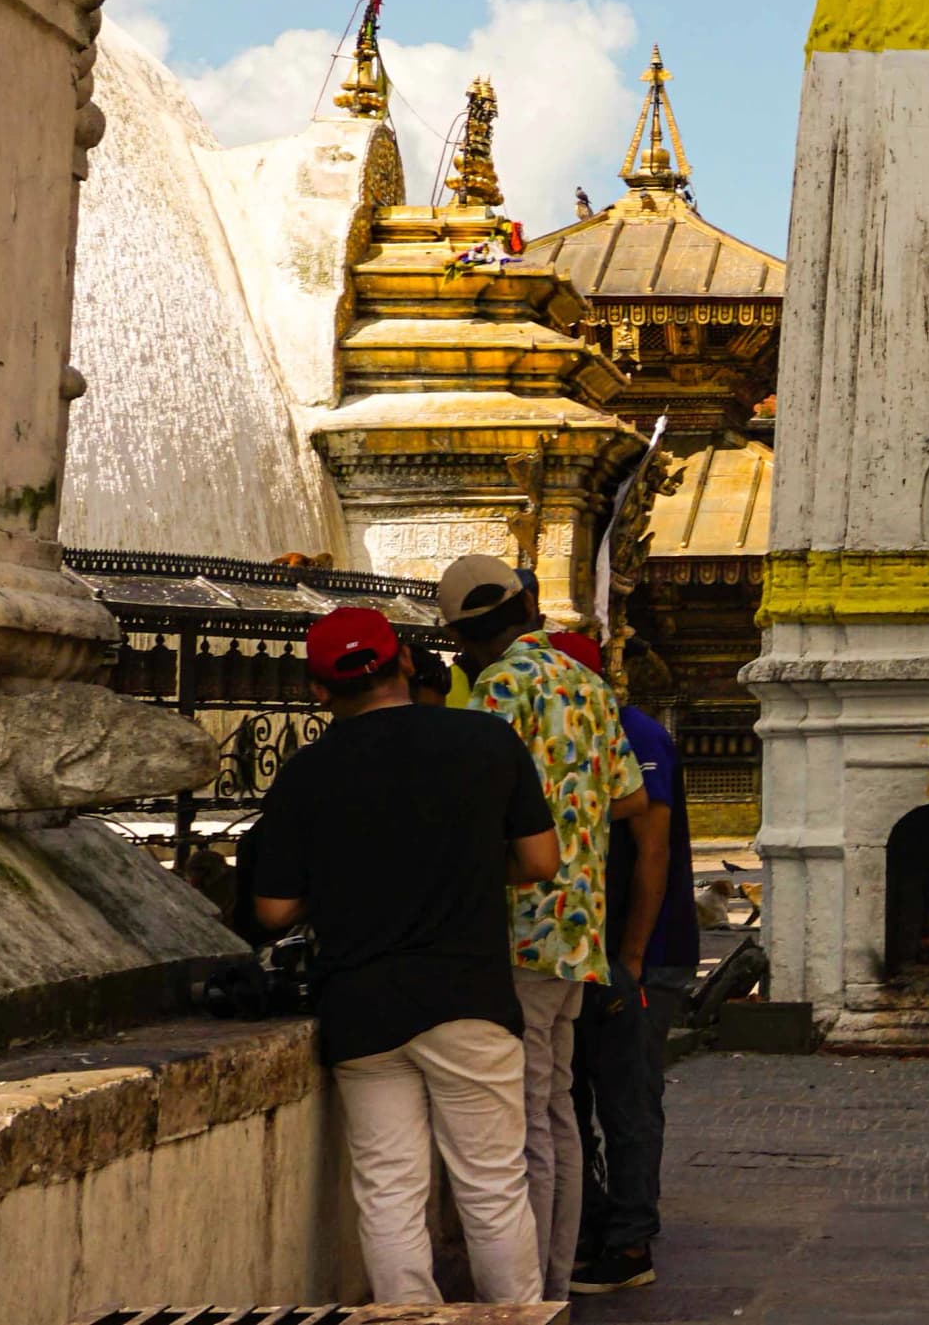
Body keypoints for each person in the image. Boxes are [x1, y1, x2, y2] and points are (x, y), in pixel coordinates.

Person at [244, 606, 560, 1305]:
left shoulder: (306, 773)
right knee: (492, 1187)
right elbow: (540, 859)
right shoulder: (486, 739)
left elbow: (272, 910)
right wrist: (468, 866)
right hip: (468, 997)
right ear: (407, 663)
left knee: (389, 1192)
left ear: (319, 691)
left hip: (363, 1008)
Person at [440, 555, 649, 1303]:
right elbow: (629, 799)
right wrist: (575, 802)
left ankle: (529, 1294)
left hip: (519, 928)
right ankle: (554, 1279)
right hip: (580, 931)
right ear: (524, 606)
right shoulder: (586, 684)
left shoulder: (500, 688)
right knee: (557, 1111)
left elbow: (466, 800)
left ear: (463, 635)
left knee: (527, 1119)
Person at [542, 634, 698, 1295]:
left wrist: (630, 956)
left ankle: (631, 1235)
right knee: (574, 1093)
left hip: (646, 951)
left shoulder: (635, 735)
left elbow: (652, 853)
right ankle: (598, 1220)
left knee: (627, 1096)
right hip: (586, 950)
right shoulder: (576, 732)